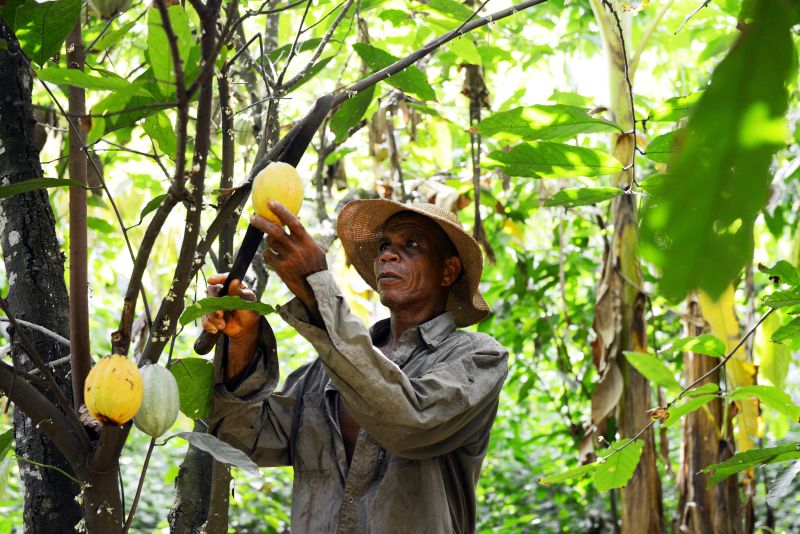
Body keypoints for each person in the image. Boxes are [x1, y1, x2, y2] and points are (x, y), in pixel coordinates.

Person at [205, 198, 508, 533]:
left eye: (411, 244)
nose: (388, 255)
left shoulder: (479, 358)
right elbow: (242, 440)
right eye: (384, 245)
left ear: (448, 271)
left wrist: (316, 289)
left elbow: (409, 421)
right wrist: (244, 338)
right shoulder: (326, 370)